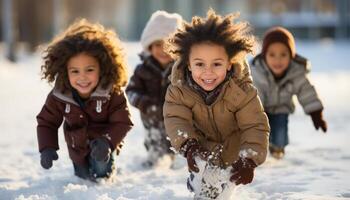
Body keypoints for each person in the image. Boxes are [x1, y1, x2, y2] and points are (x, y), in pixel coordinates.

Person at [164, 10, 269, 199]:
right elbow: (176, 119)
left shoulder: (242, 91)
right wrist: (189, 146)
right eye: (199, 64)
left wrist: (249, 160)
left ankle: (223, 185)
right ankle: (198, 179)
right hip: (202, 147)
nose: (208, 73)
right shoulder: (179, 90)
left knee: (225, 190)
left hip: (234, 149)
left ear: (229, 64)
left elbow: (255, 125)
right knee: (205, 189)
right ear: (188, 64)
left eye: (217, 64)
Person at [36, 19, 133, 181]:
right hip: (77, 148)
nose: (82, 77)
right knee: (82, 176)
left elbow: (123, 122)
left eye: (89, 70)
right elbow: (47, 122)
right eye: (75, 71)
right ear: (64, 71)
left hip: (104, 146)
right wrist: (47, 148)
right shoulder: (60, 95)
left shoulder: (111, 92)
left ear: (102, 68)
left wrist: (107, 142)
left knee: (101, 173)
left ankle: (107, 169)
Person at [251, 26, 327, 159]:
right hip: (262, 111)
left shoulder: (295, 72)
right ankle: (260, 150)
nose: (278, 60)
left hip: (282, 109)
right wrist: (254, 116)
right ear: (264, 56)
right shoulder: (258, 72)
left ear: (291, 56)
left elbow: (306, 92)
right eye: (272, 54)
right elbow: (255, 95)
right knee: (261, 133)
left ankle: (278, 149)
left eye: (283, 54)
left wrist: (316, 114)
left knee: (280, 133)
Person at [126, 11, 182, 167]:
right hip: (152, 114)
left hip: (176, 114)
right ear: (149, 46)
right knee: (155, 137)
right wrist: (144, 103)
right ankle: (156, 158)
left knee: (178, 137)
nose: (163, 50)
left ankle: (177, 159)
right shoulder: (143, 69)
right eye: (158, 45)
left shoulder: (182, 69)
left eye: (168, 45)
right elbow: (131, 91)